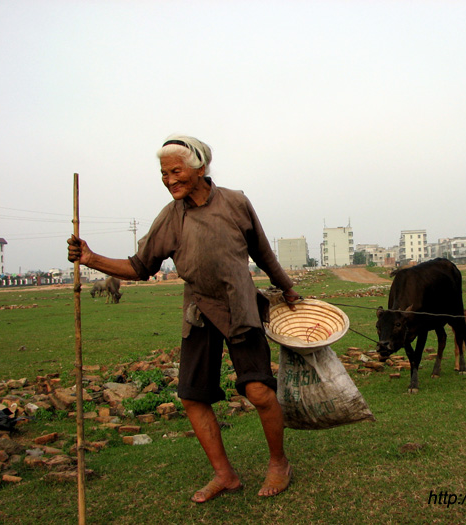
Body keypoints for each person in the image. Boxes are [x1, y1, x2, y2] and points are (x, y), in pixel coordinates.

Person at [68, 134, 301, 502]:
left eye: (175, 171)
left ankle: (279, 463)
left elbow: (263, 252)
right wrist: (91, 258)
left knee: (258, 390)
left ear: (200, 168)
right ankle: (225, 475)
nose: (169, 179)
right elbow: (139, 266)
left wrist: (286, 288)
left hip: (241, 307)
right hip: (199, 312)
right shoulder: (171, 217)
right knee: (192, 396)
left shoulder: (236, 203)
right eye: (163, 173)